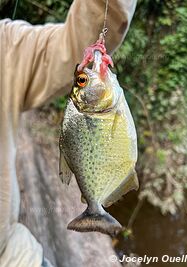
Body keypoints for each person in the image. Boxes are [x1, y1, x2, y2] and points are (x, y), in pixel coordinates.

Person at [0, 0, 137, 266]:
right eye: (83, 80)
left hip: (11, 254)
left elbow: (76, 42)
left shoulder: (5, 44)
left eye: (83, 81)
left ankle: (95, 205)